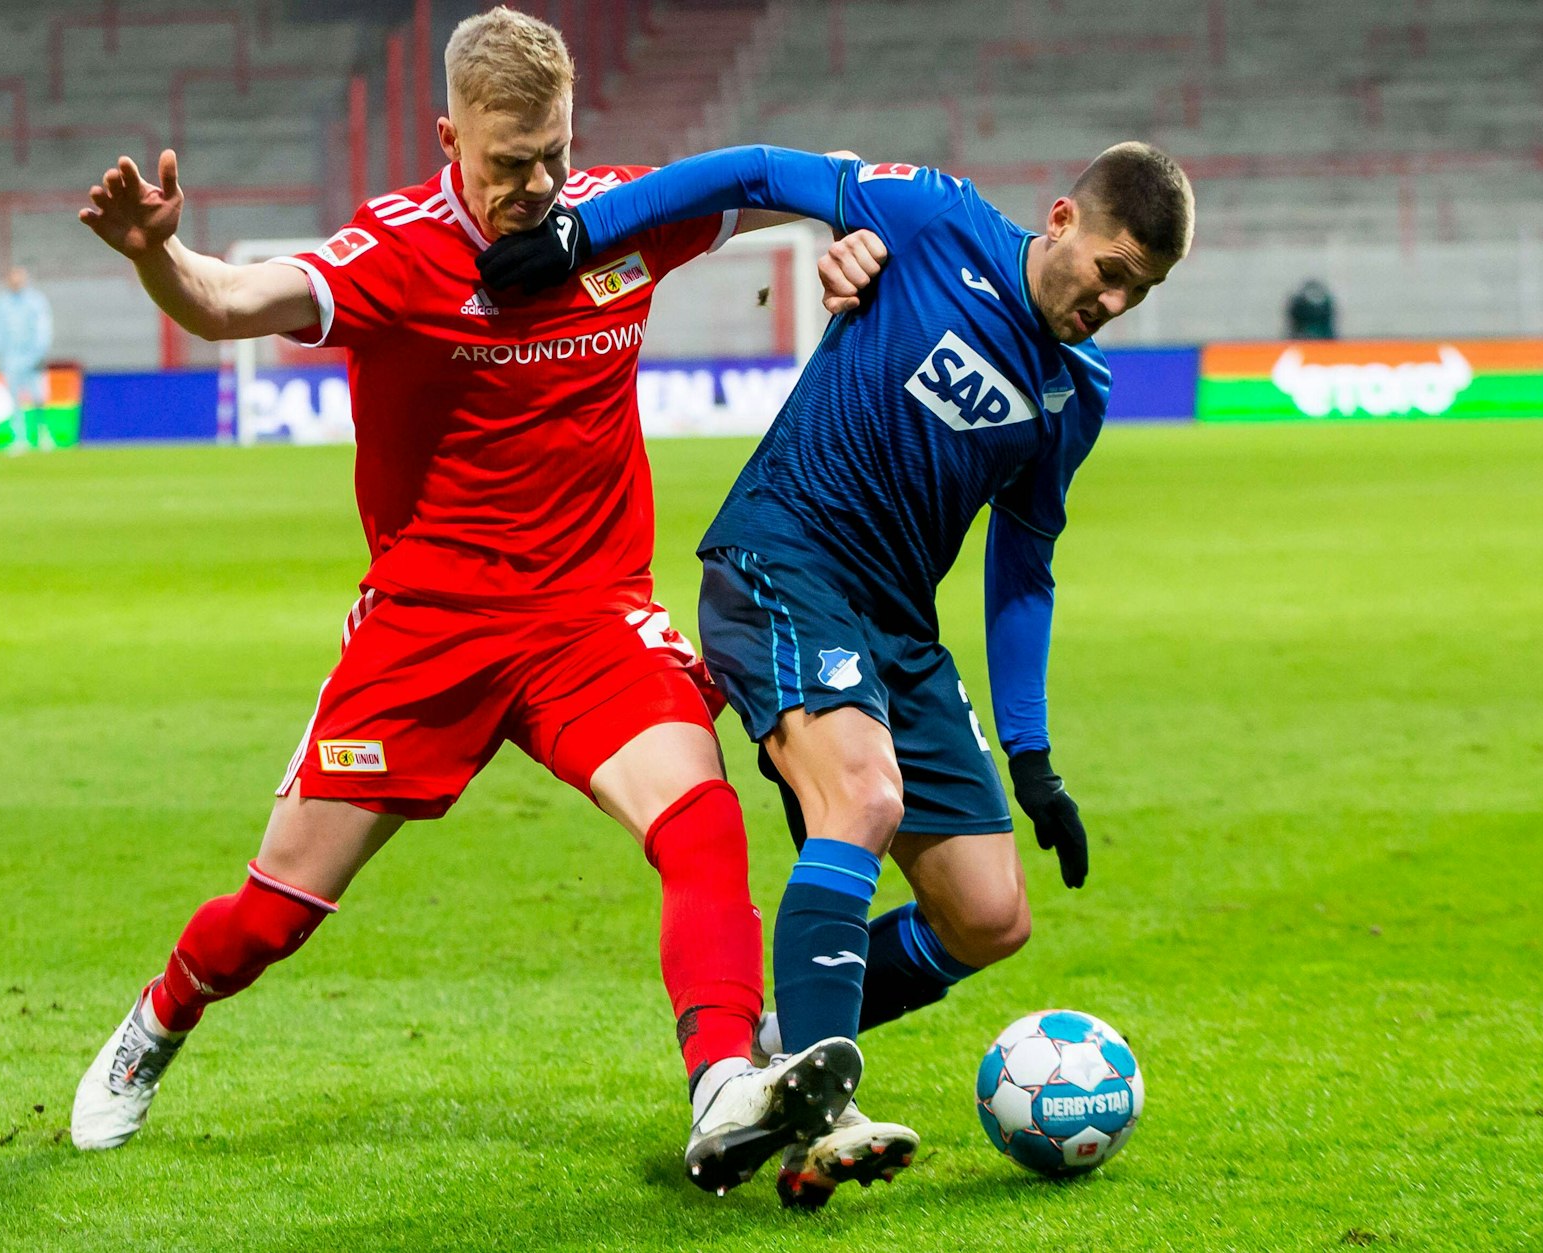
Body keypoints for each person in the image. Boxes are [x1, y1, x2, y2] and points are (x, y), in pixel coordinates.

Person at [68, 7, 884, 1194]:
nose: (539, 185)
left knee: (699, 818)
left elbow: (798, 188)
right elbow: (233, 301)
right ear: (448, 136)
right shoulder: (395, 252)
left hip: (588, 615)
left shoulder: (614, 219)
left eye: (554, 153)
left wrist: (853, 243)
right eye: (509, 162)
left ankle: (720, 1080)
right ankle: (158, 1018)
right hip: (425, 626)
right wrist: (154, 256)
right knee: (275, 912)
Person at [480, 140, 1193, 1206]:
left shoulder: (1071, 393)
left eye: (1137, 289)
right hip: (785, 556)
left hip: (898, 625)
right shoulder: (933, 219)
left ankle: (784, 1038)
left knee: (987, 915)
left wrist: (1033, 756)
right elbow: (758, 171)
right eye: (1108, 268)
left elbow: (1022, 571)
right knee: (861, 795)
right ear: (1059, 220)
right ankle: (822, 1111)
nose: (1113, 298)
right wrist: (583, 233)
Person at [0, 265, 54, 450]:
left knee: (39, 397)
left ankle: (43, 434)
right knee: (15, 399)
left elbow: (43, 329)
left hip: (33, 357)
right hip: (11, 358)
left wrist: (41, 352)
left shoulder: (35, 301)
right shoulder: (2, 303)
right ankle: (20, 438)